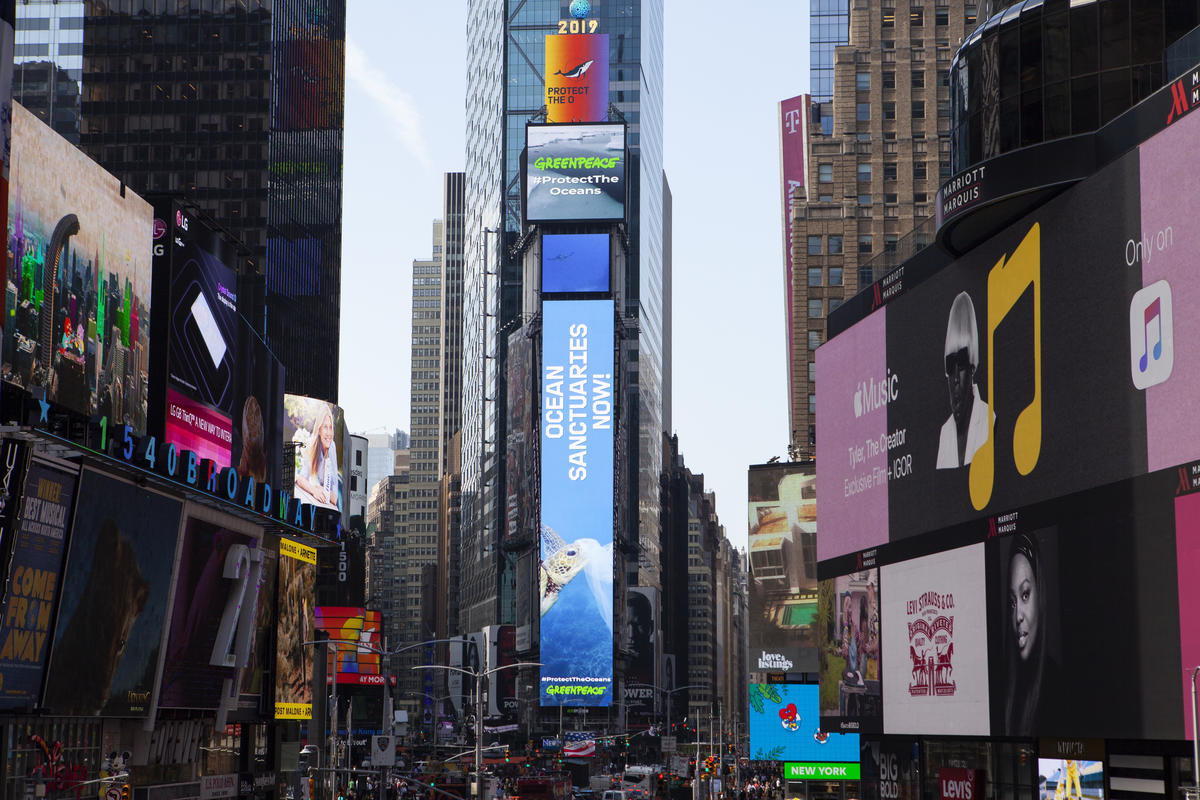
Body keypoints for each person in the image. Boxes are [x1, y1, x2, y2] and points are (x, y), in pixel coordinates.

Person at [1003, 533, 1057, 733]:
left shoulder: (1058, 690)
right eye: (1012, 602)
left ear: (1039, 595)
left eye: (1025, 595)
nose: (1018, 616)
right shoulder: (1005, 691)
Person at [936, 292, 991, 469]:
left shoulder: (989, 420)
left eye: (960, 365)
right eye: (949, 367)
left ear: (972, 366)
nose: (955, 381)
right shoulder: (944, 434)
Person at [295, 406, 340, 509]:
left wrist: (322, 489)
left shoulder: (332, 446)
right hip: (312, 503)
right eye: (325, 427)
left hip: (326, 505)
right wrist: (314, 489)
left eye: (330, 427)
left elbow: (335, 497)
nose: (329, 433)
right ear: (319, 430)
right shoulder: (312, 446)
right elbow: (300, 479)